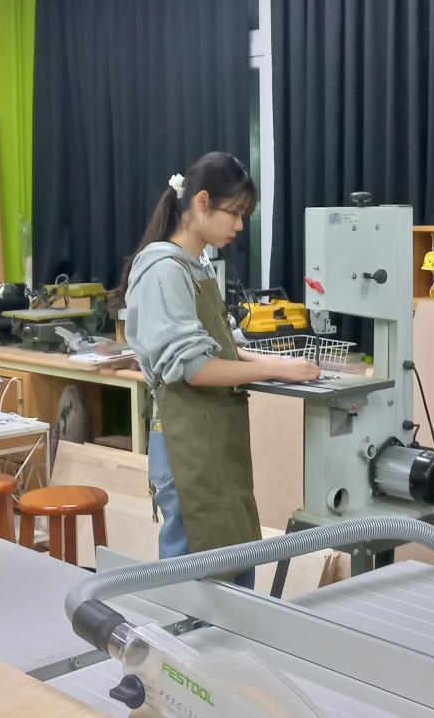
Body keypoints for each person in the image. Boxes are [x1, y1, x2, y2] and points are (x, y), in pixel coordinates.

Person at [120, 152, 319, 588]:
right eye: (234, 213)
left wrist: (280, 364)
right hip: (186, 443)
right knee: (192, 579)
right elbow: (196, 368)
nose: (240, 226)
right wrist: (272, 371)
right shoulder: (163, 271)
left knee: (233, 558)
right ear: (202, 203)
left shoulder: (198, 267)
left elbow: (221, 349)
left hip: (214, 439)